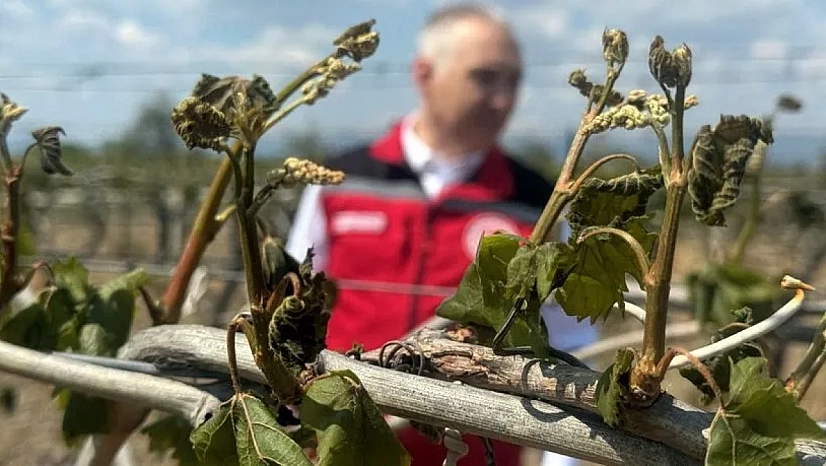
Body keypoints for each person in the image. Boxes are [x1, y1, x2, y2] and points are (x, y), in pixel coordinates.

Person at [286, 3, 596, 465]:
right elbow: (292, 313)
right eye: (486, 78)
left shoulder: (539, 204)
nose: (505, 99)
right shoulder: (339, 181)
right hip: (339, 451)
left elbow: (571, 345)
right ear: (425, 74)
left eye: (514, 81)